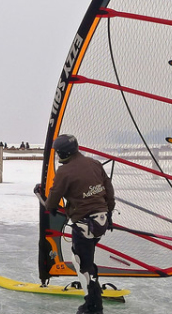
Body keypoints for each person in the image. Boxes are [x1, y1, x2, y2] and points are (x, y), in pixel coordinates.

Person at [36, 134, 115, 314]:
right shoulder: (94, 164)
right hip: (101, 221)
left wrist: (39, 194)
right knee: (83, 260)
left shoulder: (64, 172)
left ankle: (93, 306)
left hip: (85, 225)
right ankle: (93, 299)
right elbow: (109, 190)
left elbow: (51, 205)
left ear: (63, 153)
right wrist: (109, 212)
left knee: (81, 263)